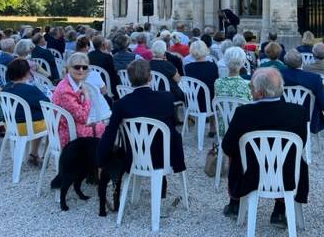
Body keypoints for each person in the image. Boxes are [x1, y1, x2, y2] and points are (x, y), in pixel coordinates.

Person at [222, 67, 308, 227]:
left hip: (251, 172)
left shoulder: (243, 112)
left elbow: (227, 146)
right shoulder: (299, 112)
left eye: (251, 88)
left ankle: (235, 202)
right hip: (287, 172)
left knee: (234, 155)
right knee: (292, 155)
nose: (250, 91)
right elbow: (301, 143)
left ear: (260, 93)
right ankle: (280, 211)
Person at [96, 60, 186, 199]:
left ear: (130, 79)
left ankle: (160, 183)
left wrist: (100, 160)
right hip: (165, 156)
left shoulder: (121, 104)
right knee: (167, 135)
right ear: (150, 77)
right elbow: (171, 126)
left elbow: (109, 133)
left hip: (135, 156)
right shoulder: (167, 98)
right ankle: (161, 182)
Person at [52, 53, 107, 148]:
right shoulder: (66, 90)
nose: (81, 70)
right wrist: (87, 96)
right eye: (77, 67)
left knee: (106, 126)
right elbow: (83, 118)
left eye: (84, 67)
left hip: (68, 127)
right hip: (68, 132)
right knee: (109, 129)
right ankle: (96, 159)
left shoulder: (67, 83)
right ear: (68, 68)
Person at [2, 58, 50, 165]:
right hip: (26, 127)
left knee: (37, 118)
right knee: (53, 123)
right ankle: (44, 158)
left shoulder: (5, 89)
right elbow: (47, 103)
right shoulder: (30, 90)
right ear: (27, 73)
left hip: (10, 126)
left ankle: (33, 154)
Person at [281, 50, 324, 134]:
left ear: (285, 63)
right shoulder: (314, 78)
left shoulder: (277, 76)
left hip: (282, 117)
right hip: (308, 118)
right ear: (301, 62)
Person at [184, 40, 219, 136]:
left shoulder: (187, 67)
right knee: (212, 92)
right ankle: (213, 127)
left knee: (206, 91)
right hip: (209, 103)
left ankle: (200, 123)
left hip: (193, 103)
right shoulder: (213, 66)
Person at [214, 47, 251, 134]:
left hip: (224, 126)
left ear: (226, 62)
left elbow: (217, 106)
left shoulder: (218, 82)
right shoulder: (247, 84)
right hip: (243, 129)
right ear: (242, 63)